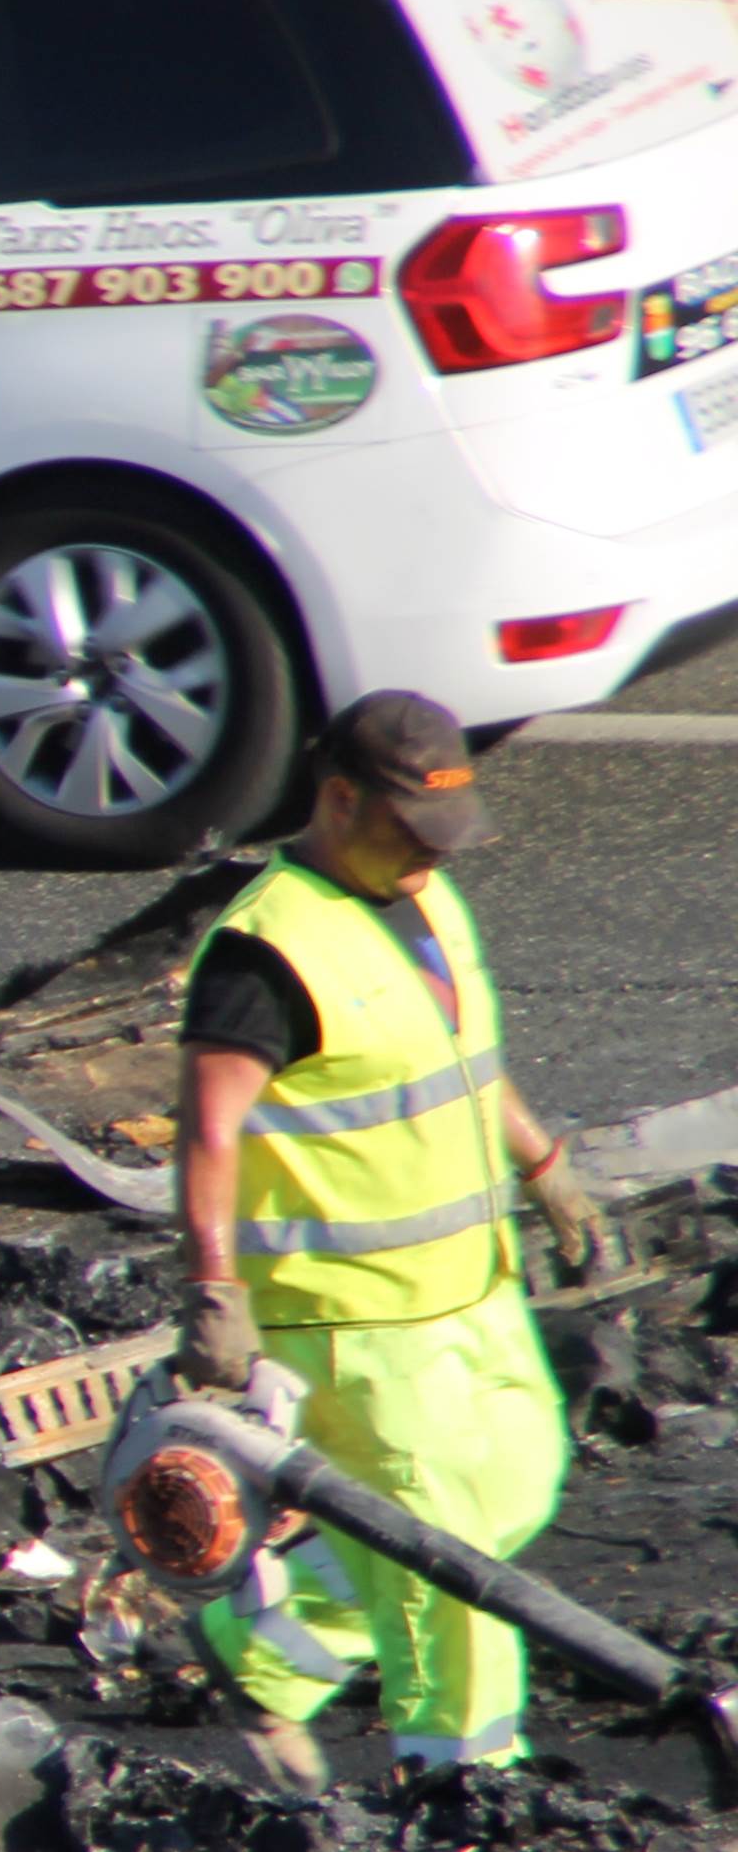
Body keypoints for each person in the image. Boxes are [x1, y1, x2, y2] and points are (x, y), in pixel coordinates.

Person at [171, 693, 603, 1788]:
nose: (428, 859)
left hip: (470, 1286)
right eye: (408, 834)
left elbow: (460, 1057)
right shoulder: (267, 951)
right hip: (352, 1318)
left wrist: (544, 1167)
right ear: (339, 797)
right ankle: (465, 1785)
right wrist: (212, 1290)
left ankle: (257, 1653)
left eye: (442, 838)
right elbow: (210, 1129)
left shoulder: (426, 901)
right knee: (450, 1570)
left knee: (515, 1488)